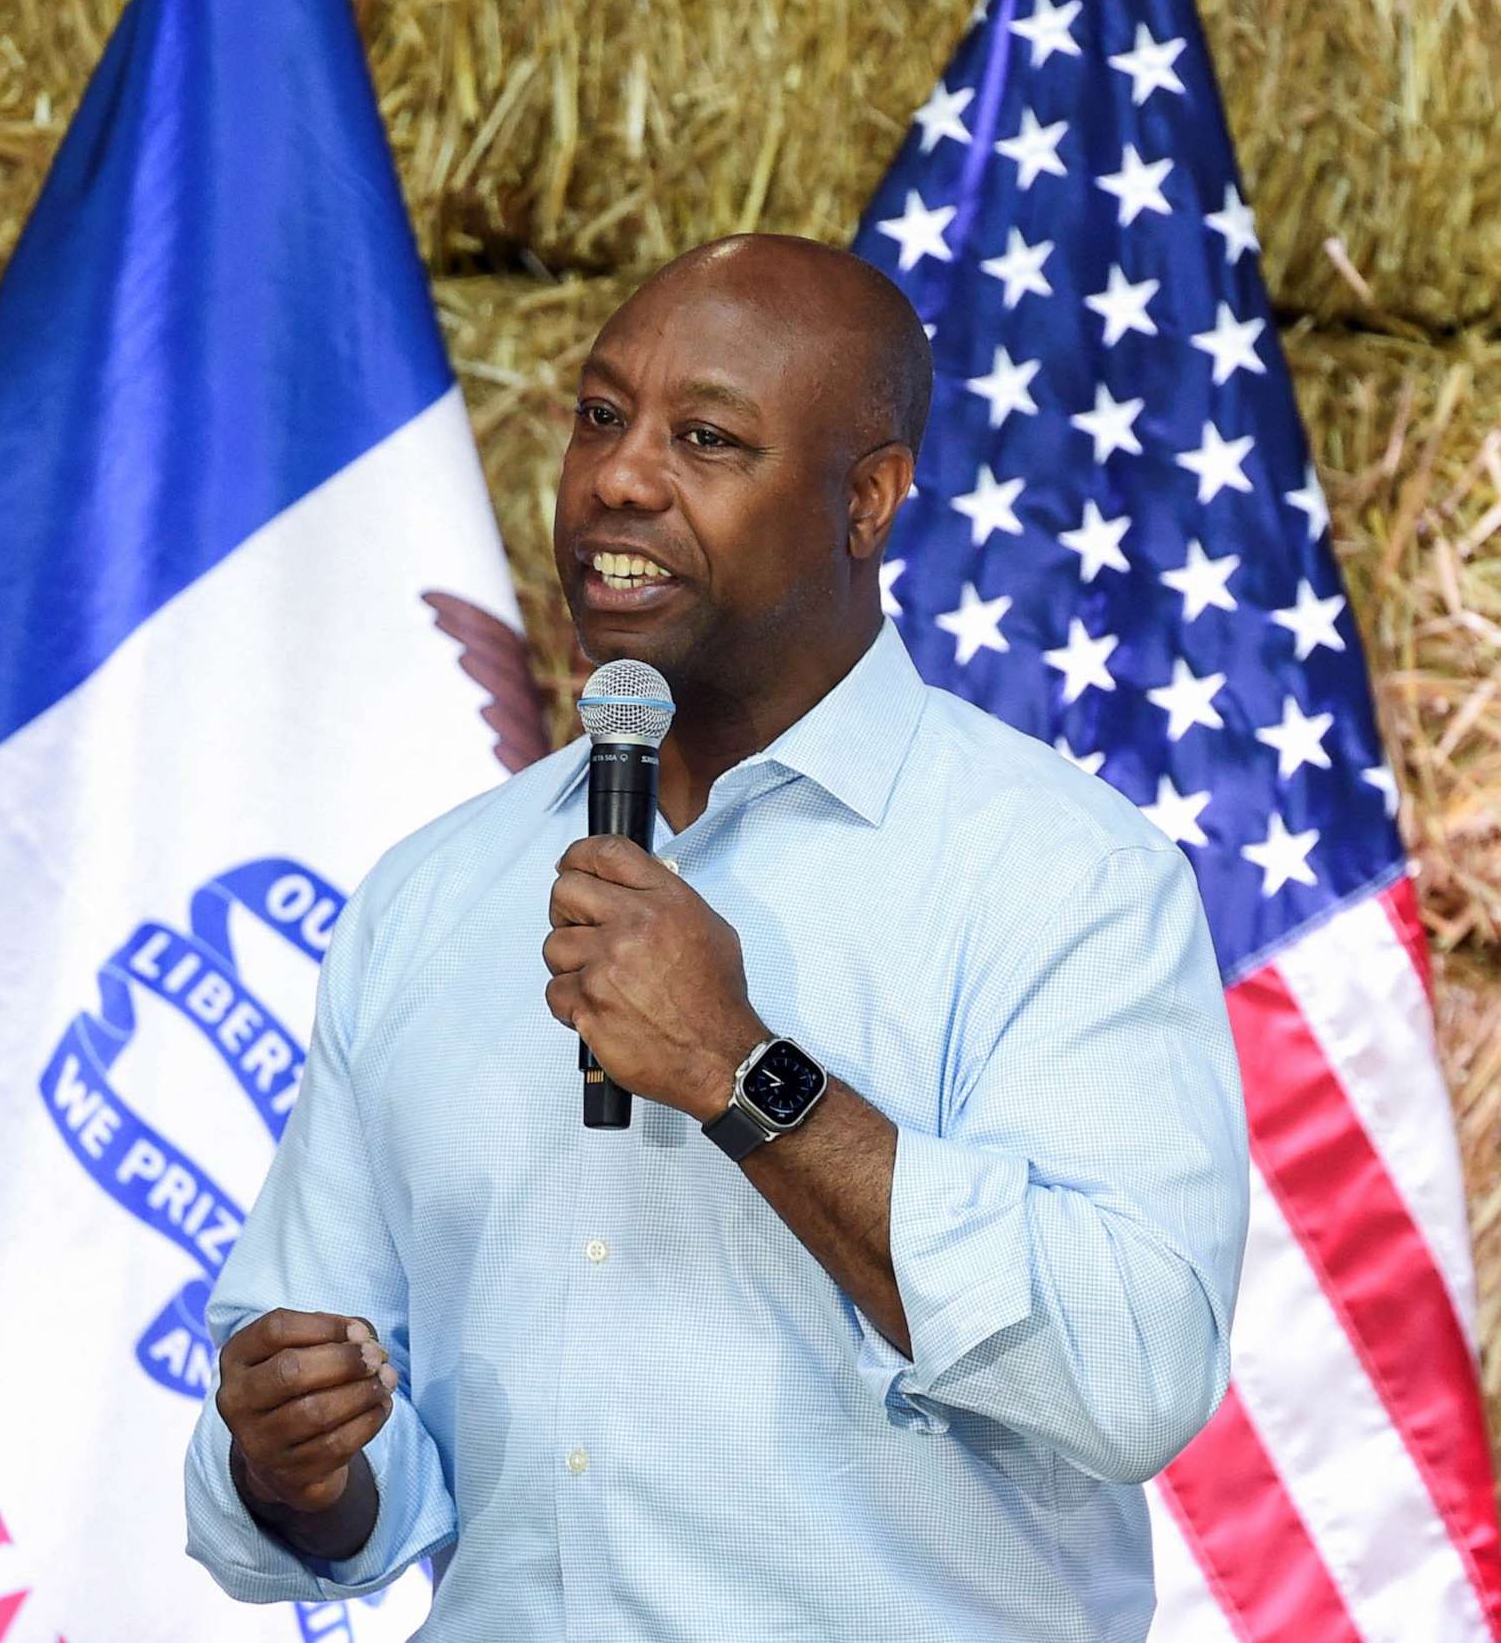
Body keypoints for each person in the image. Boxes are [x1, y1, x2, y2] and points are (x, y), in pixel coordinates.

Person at [182, 234, 1249, 1639]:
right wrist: (294, 1465)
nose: (620, 476)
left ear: (866, 501)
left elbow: (1135, 1372)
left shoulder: (1062, 876)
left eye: (705, 437)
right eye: (601, 416)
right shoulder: (430, 897)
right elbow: (343, 1442)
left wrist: (749, 1076)